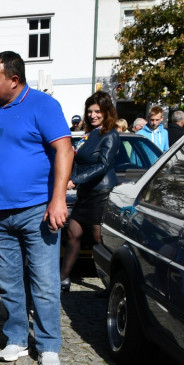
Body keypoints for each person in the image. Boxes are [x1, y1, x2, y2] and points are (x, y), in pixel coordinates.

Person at [0, 51, 73, 365]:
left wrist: (58, 200)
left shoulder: (43, 105)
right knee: (10, 282)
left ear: (14, 80)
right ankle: (16, 339)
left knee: (44, 280)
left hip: (38, 210)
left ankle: (49, 345)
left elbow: (64, 149)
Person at [61, 91, 120, 293]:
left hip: (101, 191)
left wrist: (74, 181)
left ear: (106, 112)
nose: (93, 115)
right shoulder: (89, 133)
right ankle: (63, 278)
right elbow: (78, 160)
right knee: (72, 232)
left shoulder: (111, 134)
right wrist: (70, 178)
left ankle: (115, 284)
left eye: (97, 111)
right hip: (86, 192)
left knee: (98, 239)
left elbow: (103, 165)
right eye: (90, 111)